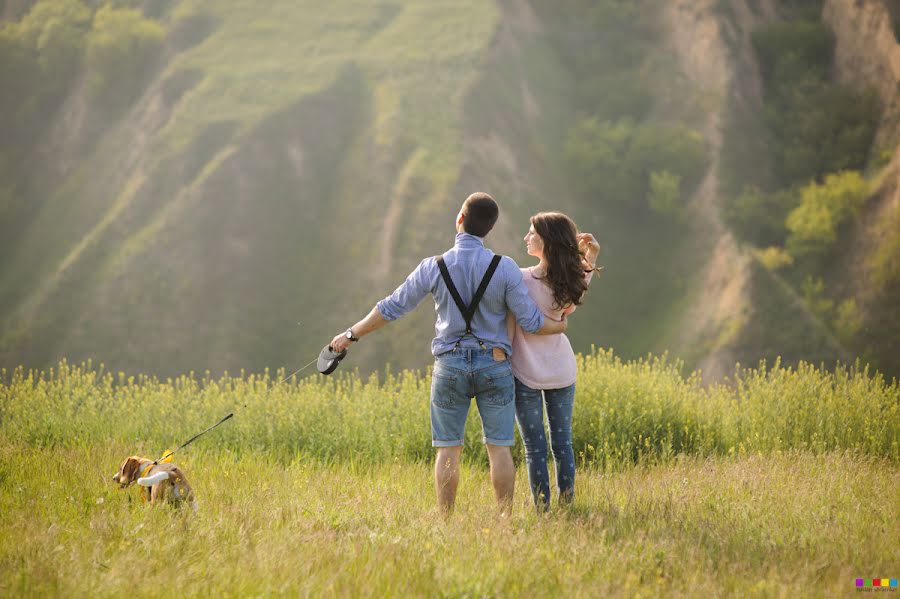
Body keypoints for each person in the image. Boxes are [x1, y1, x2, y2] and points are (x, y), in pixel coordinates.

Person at [329, 192, 567, 516]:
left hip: (450, 365)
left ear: (459, 220)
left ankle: (445, 520)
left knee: (448, 449)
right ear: (490, 229)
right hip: (495, 365)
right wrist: (559, 325)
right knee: (499, 449)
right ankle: (504, 521)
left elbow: (392, 307)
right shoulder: (506, 268)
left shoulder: (433, 266)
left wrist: (350, 334)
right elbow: (530, 321)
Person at [506, 211, 600, 511]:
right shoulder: (571, 279)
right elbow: (581, 281)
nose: (526, 237)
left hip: (524, 372)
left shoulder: (519, 279)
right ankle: (567, 506)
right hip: (562, 369)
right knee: (563, 445)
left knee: (535, 448)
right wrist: (591, 254)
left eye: (531, 232)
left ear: (546, 241)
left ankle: (543, 511)